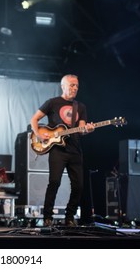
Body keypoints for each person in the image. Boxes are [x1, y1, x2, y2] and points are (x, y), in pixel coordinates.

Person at [30, 74, 95, 227]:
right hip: (57, 150)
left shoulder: (81, 107)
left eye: (77, 86)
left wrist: (88, 130)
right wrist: (39, 135)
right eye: (72, 85)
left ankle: (70, 217)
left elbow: (81, 130)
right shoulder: (52, 103)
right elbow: (34, 119)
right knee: (54, 182)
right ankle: (47, 217)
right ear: (63, 86)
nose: (75, 88)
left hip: (75, 150)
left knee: (78, 186)